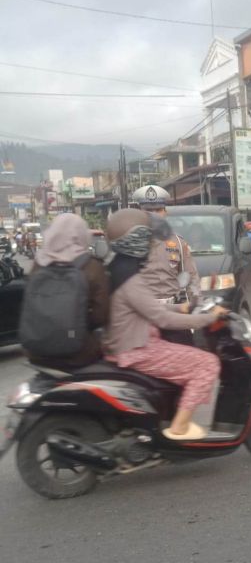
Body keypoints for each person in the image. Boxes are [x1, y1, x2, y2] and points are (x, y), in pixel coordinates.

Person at [103, 208, 226, 441]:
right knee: (207, 363)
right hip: (138, 348)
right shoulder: (131, 279)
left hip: (133, 341)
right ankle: (180, 426)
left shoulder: (119, 268)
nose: (152, 244)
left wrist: (182, 307)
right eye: (148, 239)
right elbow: (162, 319)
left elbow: (149, 308)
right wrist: (208, 318)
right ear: (137, 241)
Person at [26, 213, 110, 368]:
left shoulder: (39, 263)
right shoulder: (92, 266)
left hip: (35, 350)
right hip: (78, 352)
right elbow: (101, 315)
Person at [131, 184, 200, 345]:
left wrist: (197, 306)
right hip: (142, 314)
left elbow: (191, 277)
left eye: (158, 210)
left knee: (187, 355)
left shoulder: (177, 242)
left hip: (172, 312)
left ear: (165, 212)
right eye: (149, 210)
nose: (154, 214)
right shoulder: (130, 243)